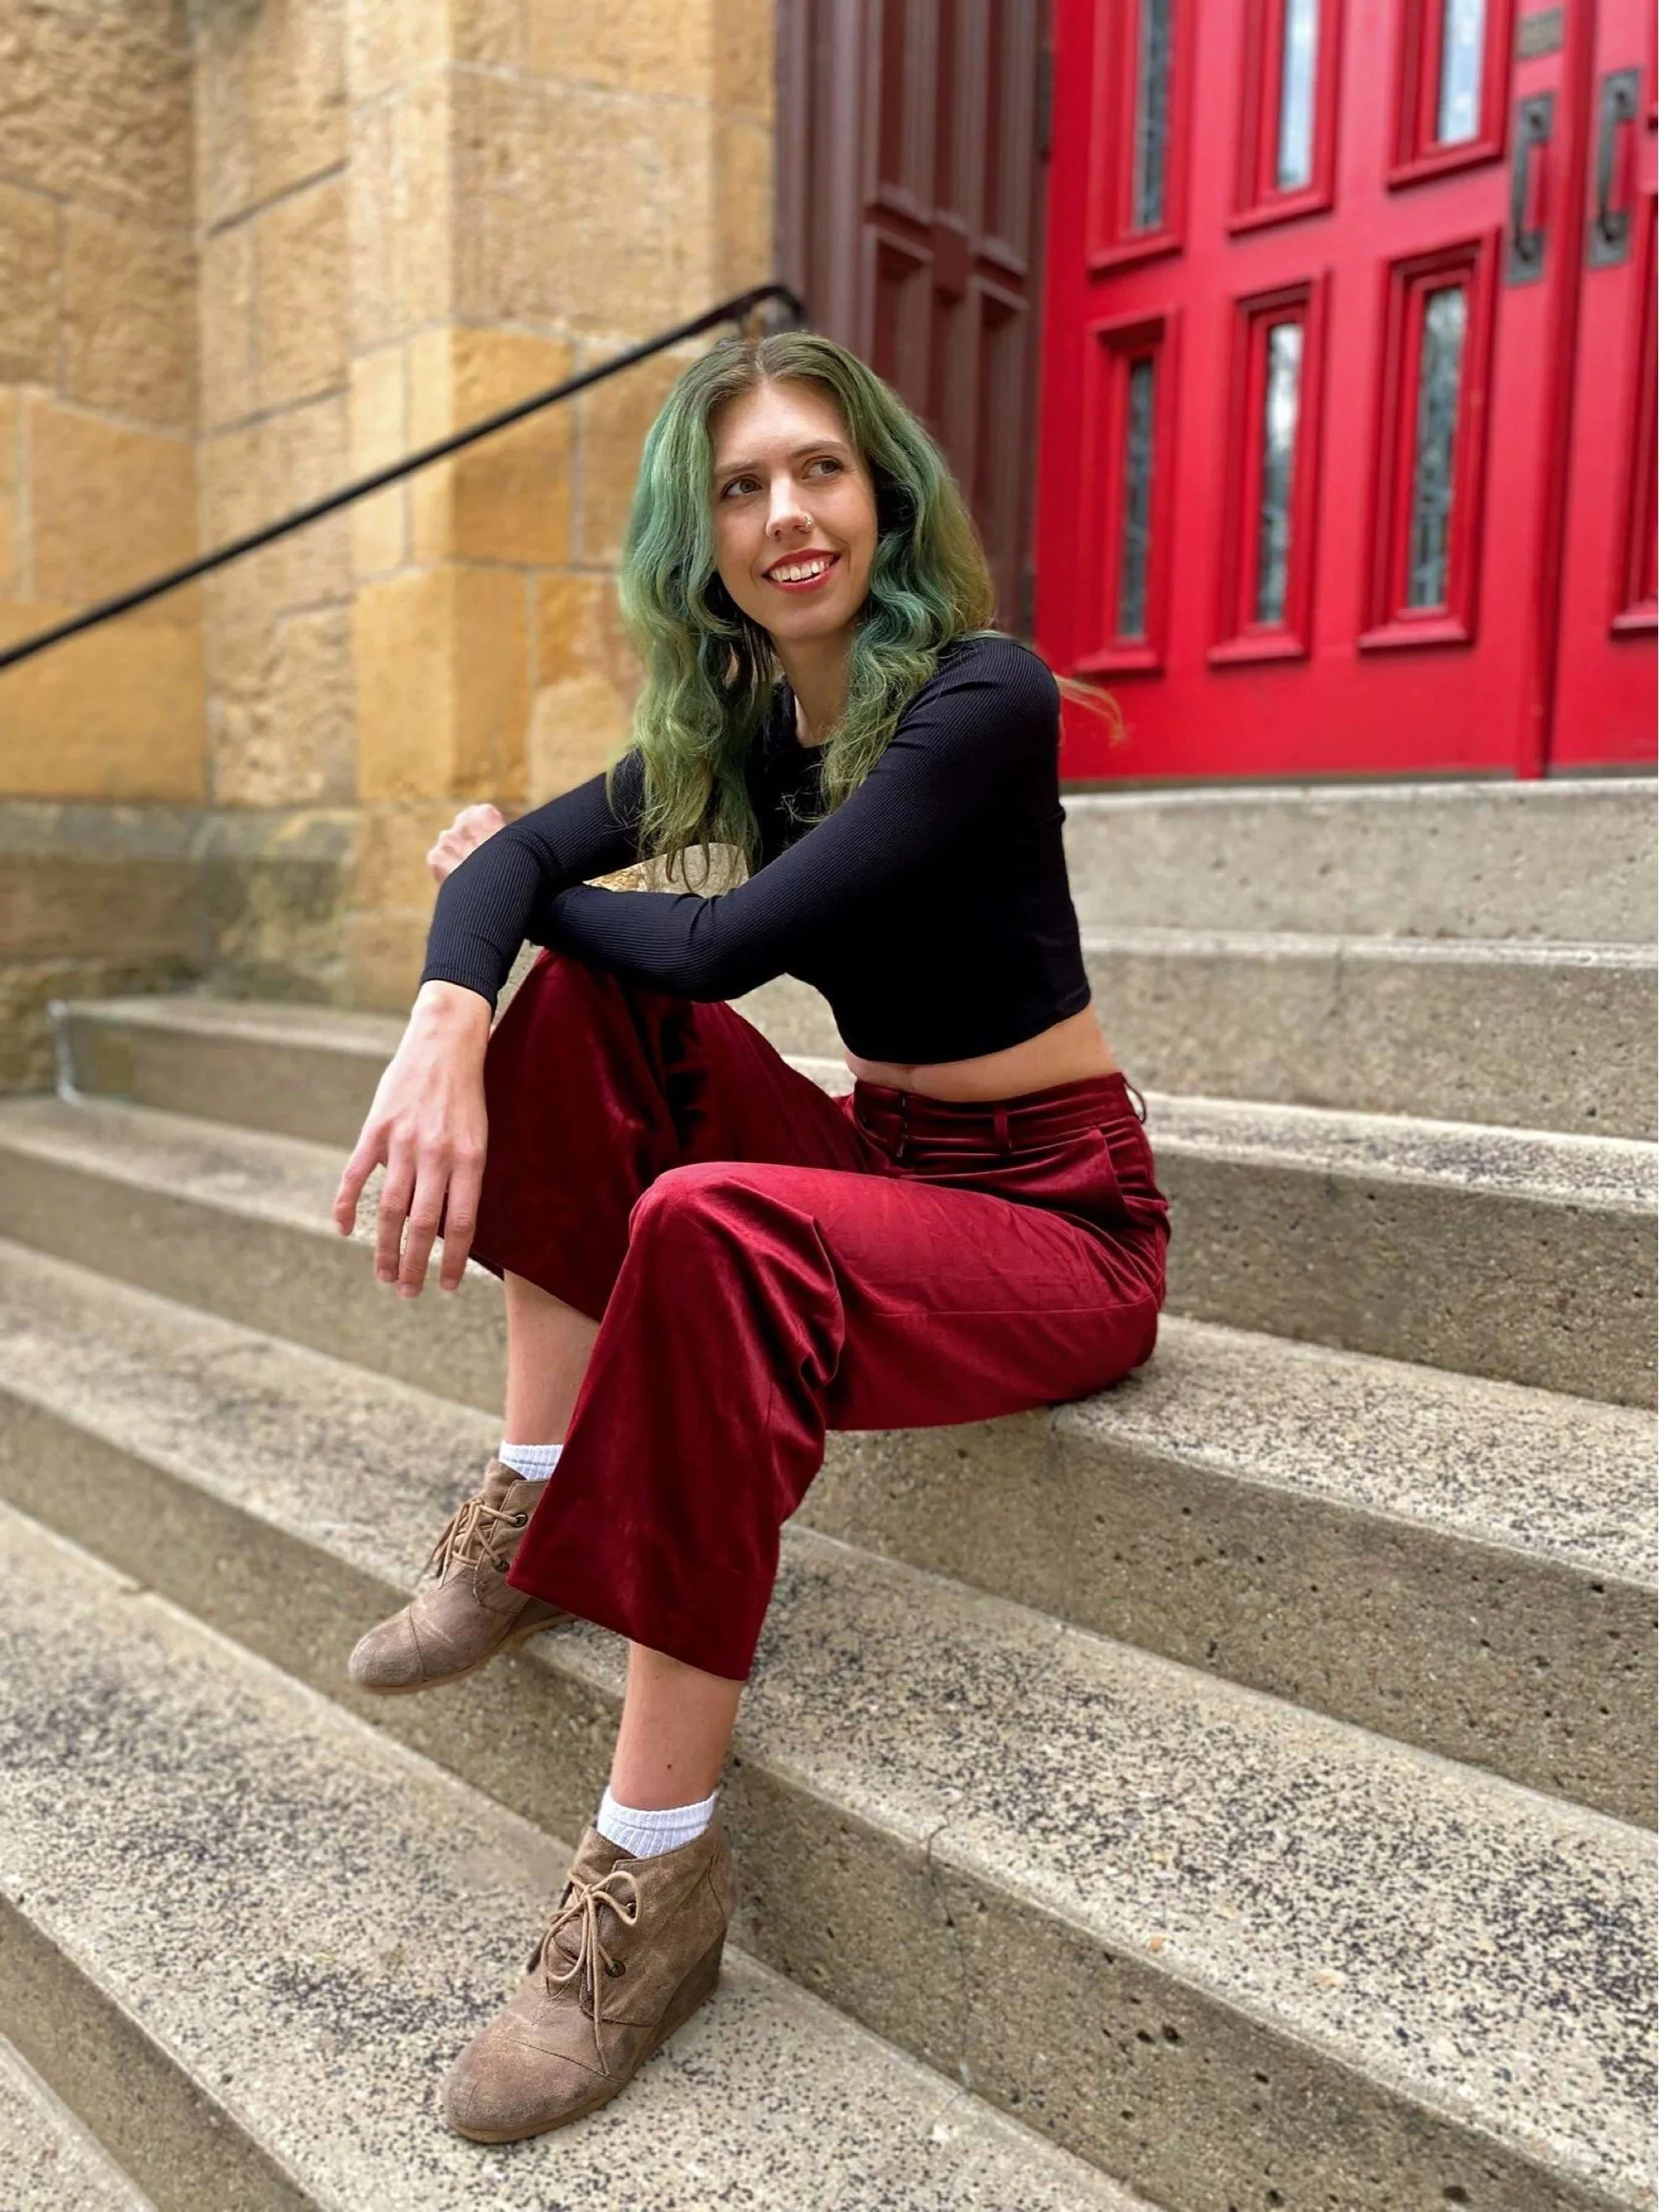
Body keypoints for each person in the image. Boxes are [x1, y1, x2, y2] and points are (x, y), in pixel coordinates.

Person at [331, 329, 1171, 2144]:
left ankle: (653, 1871)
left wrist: (509, 888)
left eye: (819, 471)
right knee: (577, 1005)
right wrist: (449, 1015)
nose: (787, 513)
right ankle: (535, 1496)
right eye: (741, 487)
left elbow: (721, 949)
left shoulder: (978, 695)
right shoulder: (740, 726)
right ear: (698, 537)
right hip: (891, 1162)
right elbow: (527, 875)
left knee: (709, 1220)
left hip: (1059, 1217)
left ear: (884, 498)